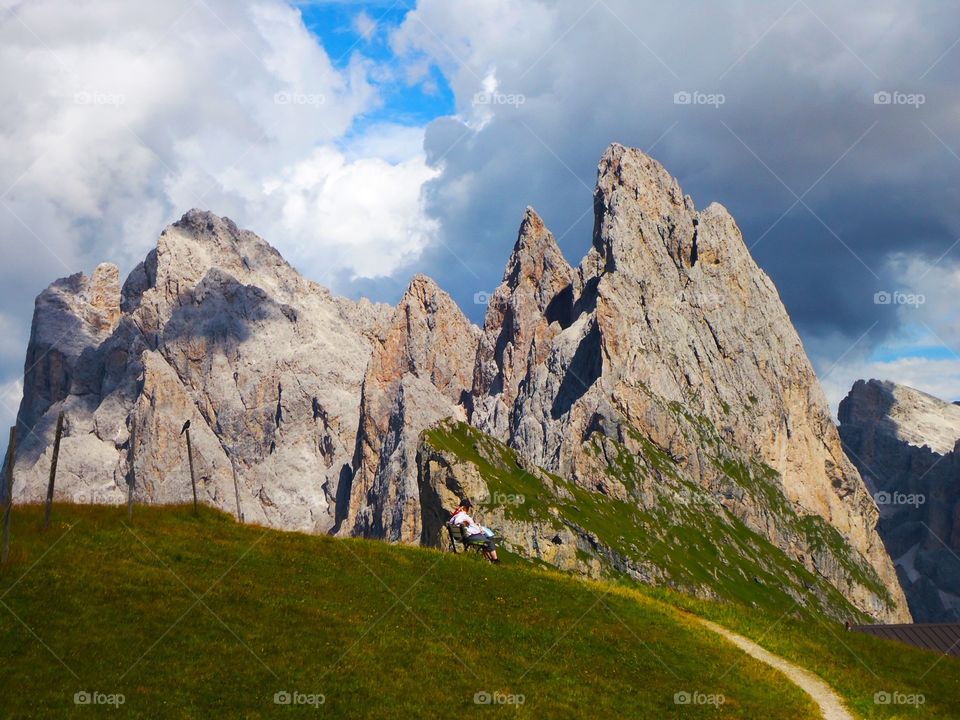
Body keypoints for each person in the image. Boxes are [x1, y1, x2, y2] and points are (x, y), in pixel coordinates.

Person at [450, 498, 499, 563]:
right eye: (467, 508)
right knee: (489, 542)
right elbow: (458, 522)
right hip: (470, 537)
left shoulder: (457, 515)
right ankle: (495, 561)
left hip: (468, 536)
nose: (468, 509)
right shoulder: (461, 515)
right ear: (464, 507)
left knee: (487, 540)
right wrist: (464, 523)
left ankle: (491, 560)